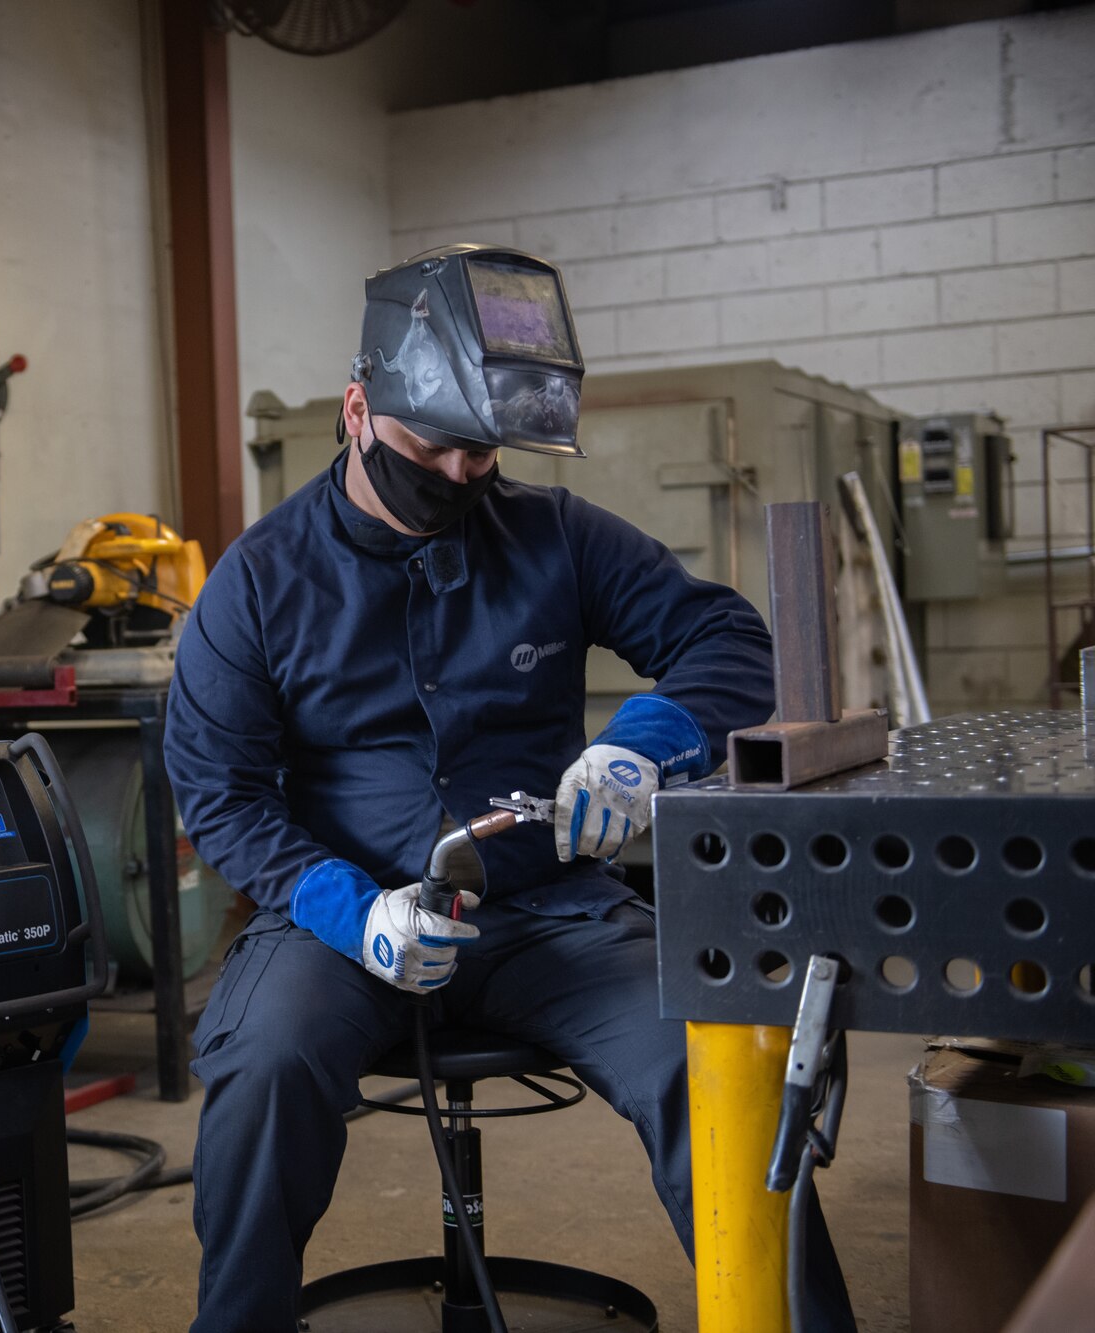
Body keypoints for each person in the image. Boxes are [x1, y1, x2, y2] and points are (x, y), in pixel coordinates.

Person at [166, 244, 856, 1332]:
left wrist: (644, 745)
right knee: (261, 1069)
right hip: (343, 920)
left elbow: (727, 639)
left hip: (549, 914)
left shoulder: (555, 535)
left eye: (480, 451)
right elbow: (221, 796)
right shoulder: (255, 582)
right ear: (358, 408)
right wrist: (354, 912)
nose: (456, 474)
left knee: (715, 1064)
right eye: (430, 445)